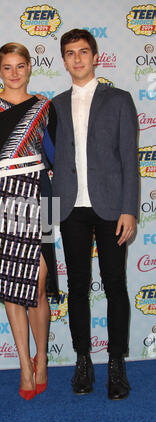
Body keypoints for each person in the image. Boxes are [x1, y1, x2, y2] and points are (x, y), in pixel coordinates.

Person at [51, 29, 139, 400]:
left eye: (83, 52)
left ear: (96, 56)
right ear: (63, 59)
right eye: (70, 53)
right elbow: (42, 155)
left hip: (110, 208)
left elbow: (131, 160)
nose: (77, 59)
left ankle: (116, 363)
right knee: (78, 288)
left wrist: (129, 210)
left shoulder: (119, 100)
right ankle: (83, 360)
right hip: (71, 207)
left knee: (116, 285)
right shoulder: (53, 105)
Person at [0, 43, 58, 400]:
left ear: (30, 67)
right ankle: (24, 366)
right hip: (1, 201)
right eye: (7, 67)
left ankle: (42, 359)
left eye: (20, 66)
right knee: (12, 285)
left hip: (40, 198)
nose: (14, 73)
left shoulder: (45, 106)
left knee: (38, 284)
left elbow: (56, 155)